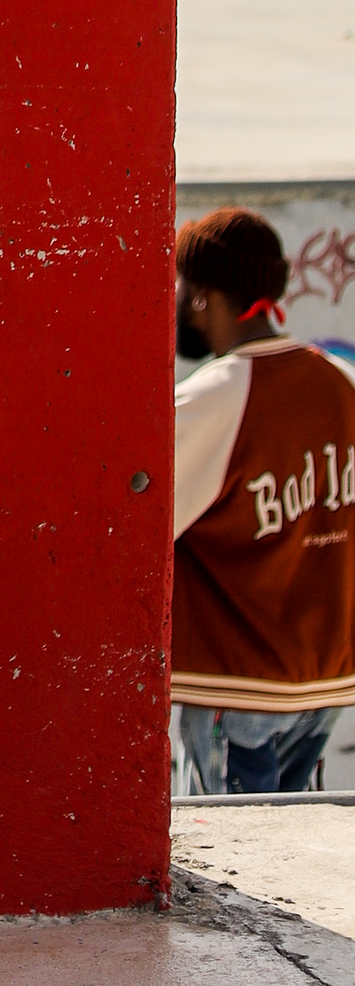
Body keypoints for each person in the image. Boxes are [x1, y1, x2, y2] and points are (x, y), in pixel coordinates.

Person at [173, 208, 355, 795]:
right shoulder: (341, 381)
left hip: (238, 682)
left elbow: (136, 529)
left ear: (203, 295)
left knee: (235, 866)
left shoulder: (215, 396)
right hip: (326, 683)